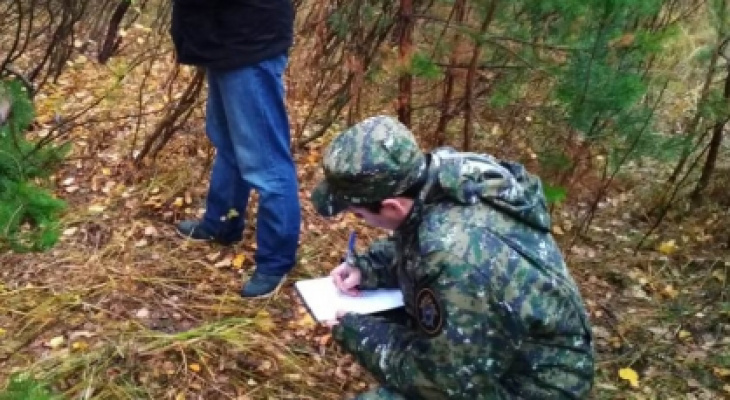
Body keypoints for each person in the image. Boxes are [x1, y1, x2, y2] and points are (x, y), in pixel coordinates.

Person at [311, 116, 595, 399]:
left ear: (392, 206)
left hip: (532, 383)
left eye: (360, 215)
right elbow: (414, 232)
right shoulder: (447, 176)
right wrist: (368, 267)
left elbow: (442, 384)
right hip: (505, 335)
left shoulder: (452, 259)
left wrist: (356, 331)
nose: (361, 221)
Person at [170, 0, 301, 298]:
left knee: (267, 163)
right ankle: (221, 224)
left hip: (249, 41)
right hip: (229, 40)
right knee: (229, 144)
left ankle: (275, 262)